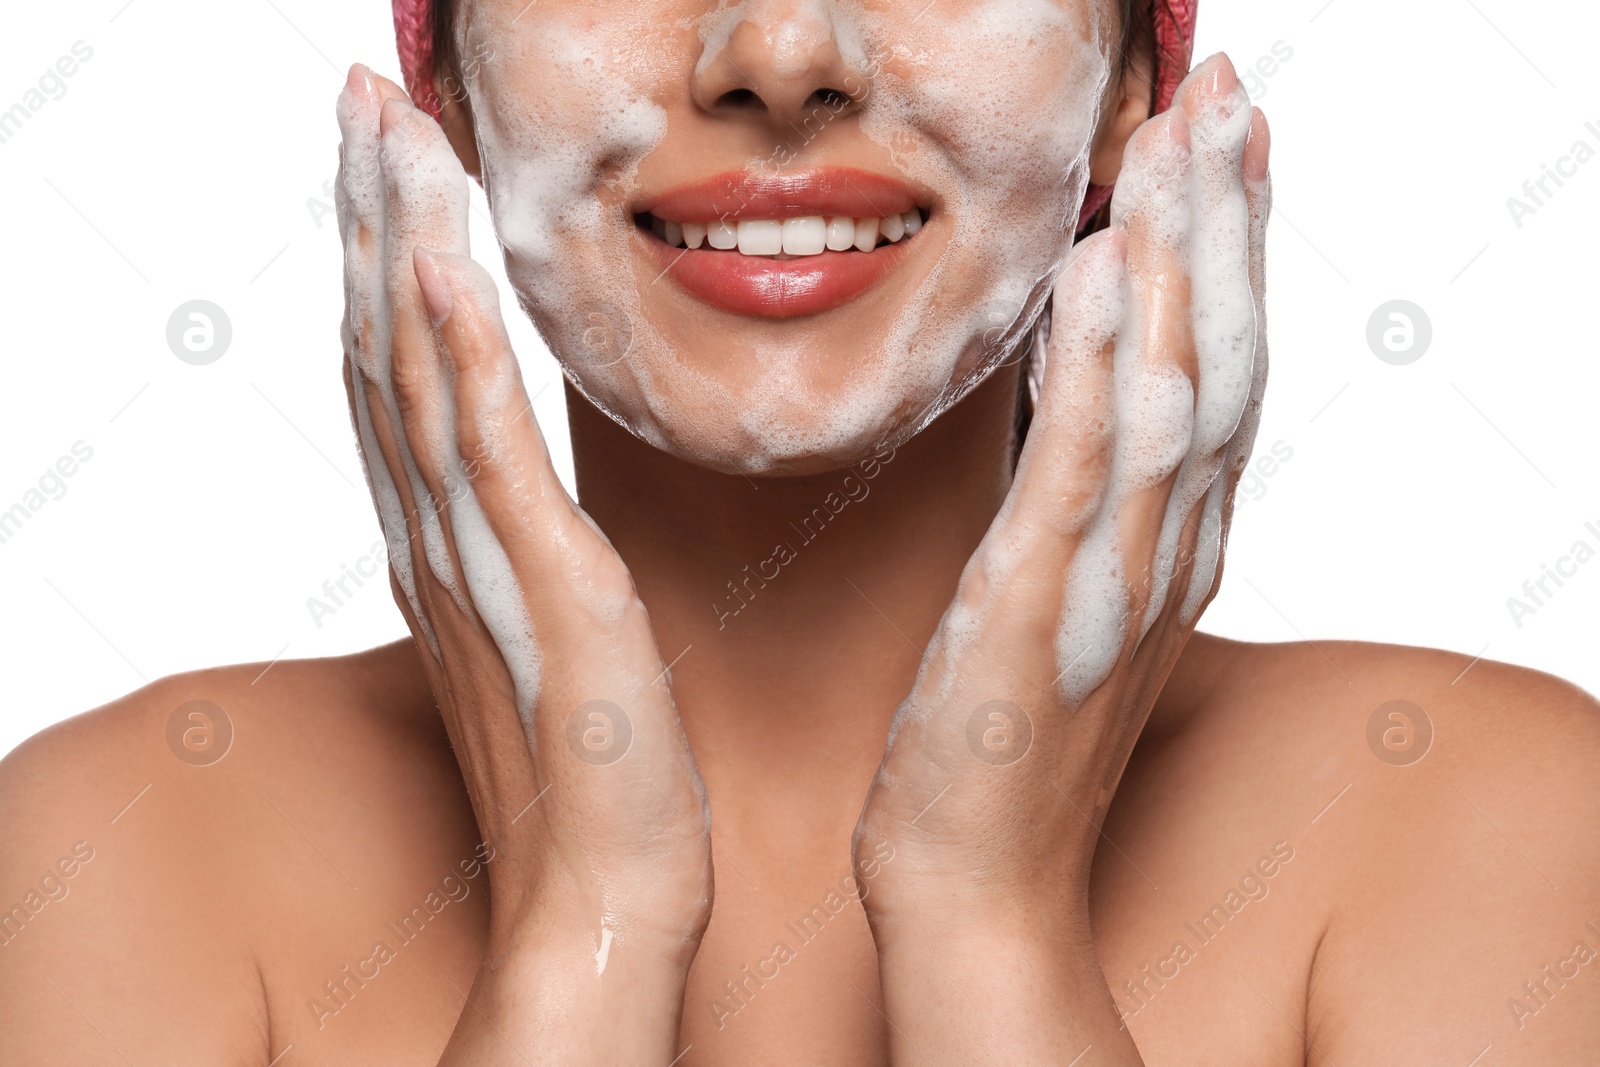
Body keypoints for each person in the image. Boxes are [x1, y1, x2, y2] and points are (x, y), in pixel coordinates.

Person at [3, 1, 1596, 1064]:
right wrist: (580, 937)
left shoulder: (1487, 825)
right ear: (442, 81)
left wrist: (992, 935)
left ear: (1136, 80)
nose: (776, 49)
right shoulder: (116, 856)